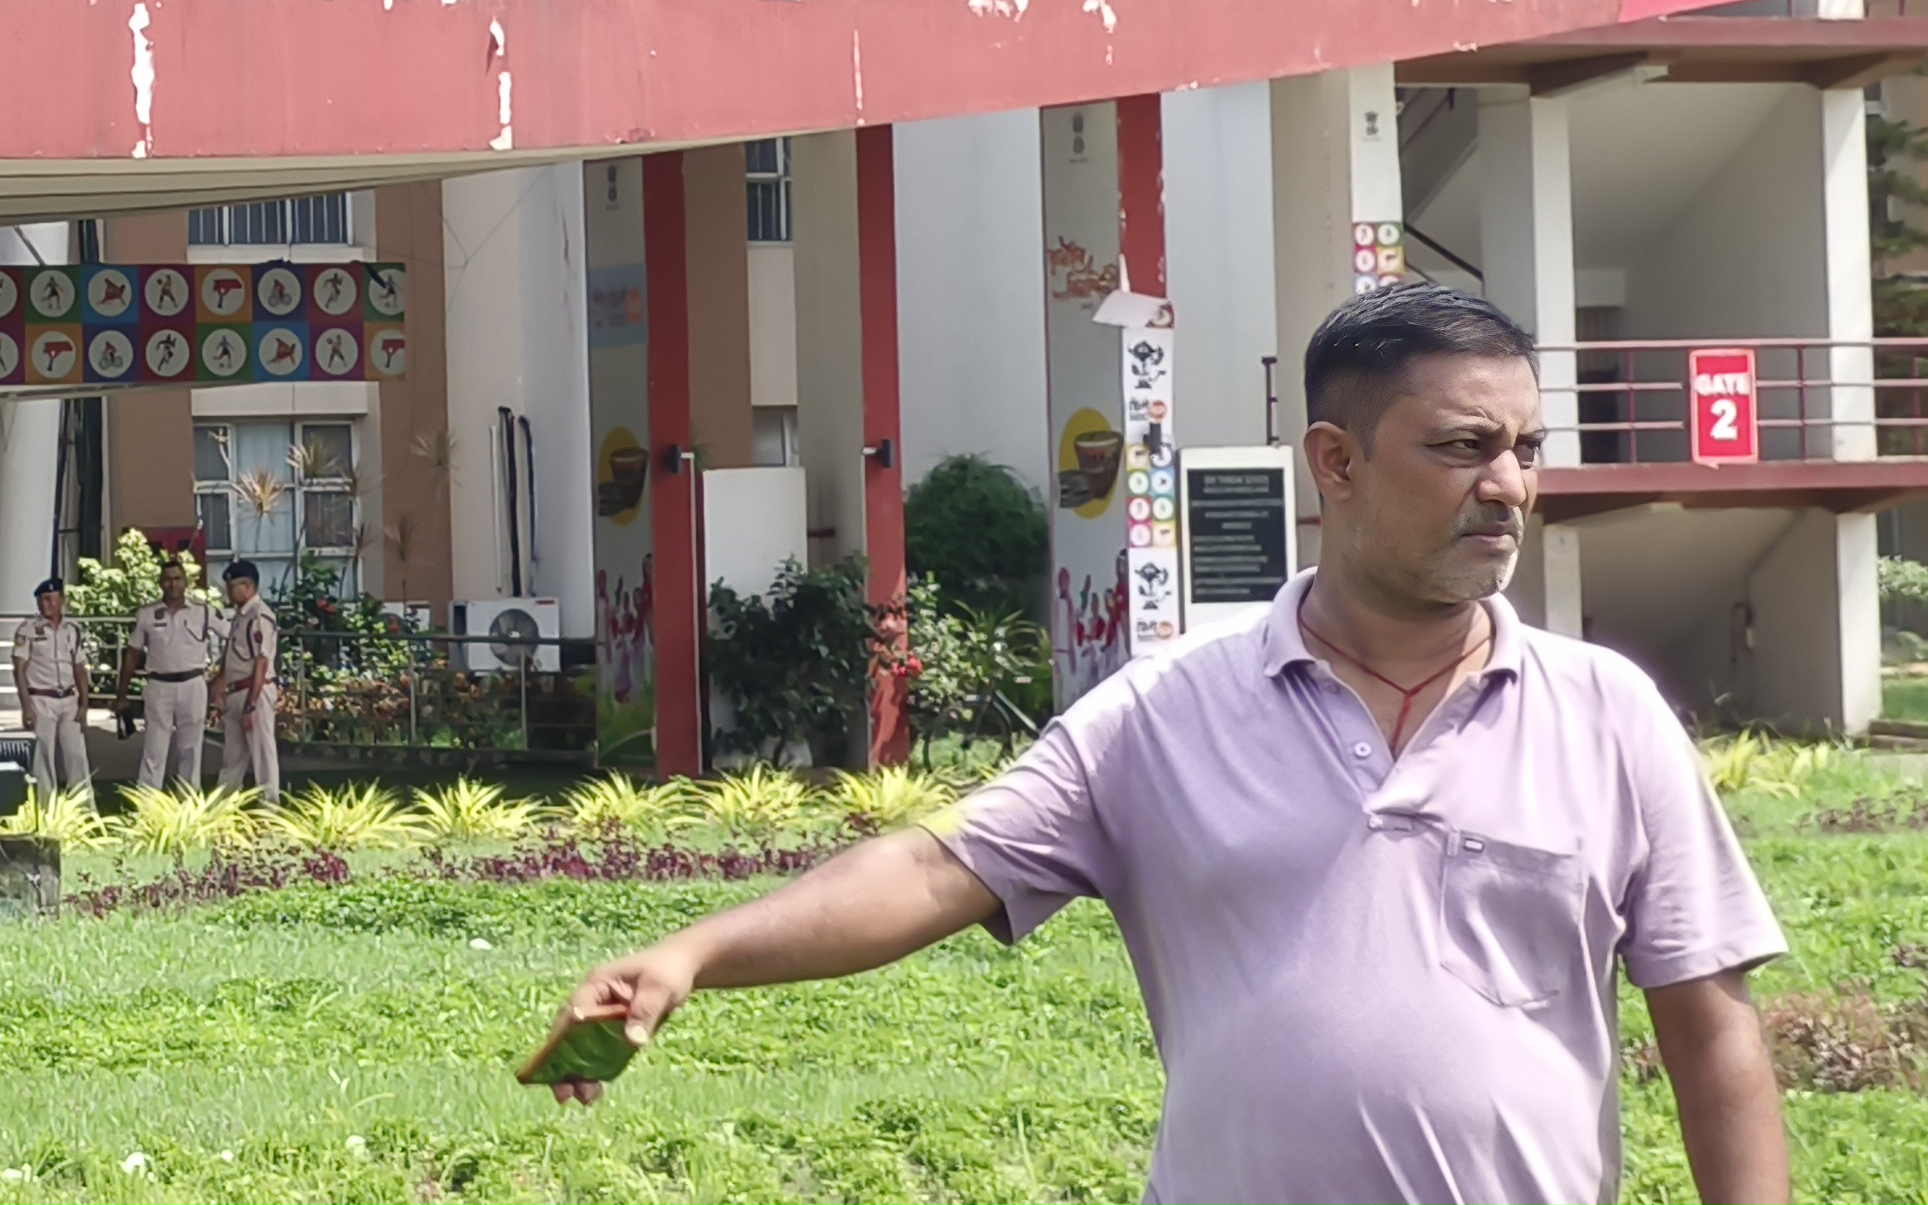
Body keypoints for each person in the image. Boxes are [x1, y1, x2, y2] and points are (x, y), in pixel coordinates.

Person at [538, 287, 1793, 1205]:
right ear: (1336, 463)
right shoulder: (1170, 711)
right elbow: (933, 871)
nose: (1509, 484)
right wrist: (695, 954)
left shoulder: (1602, 711)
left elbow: (1708, 1023)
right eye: (1463, 447)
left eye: (1524, 448)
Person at [124, 555, 219, 790]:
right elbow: (132, 654)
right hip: (159, 685)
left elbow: (234, 637)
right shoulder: (147, 614)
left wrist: (222, 678)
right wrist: (121, 694)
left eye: (177, 579)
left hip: (193, 683)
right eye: (167, 580)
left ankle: (188, 802)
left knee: (191, 749)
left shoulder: (203, 612)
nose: (173, 584)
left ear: (186, 582)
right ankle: (147, 803)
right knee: (154, 748)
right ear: (160, 583)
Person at [12, 579, 93, 794]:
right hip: (41, 698)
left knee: (76, 756)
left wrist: (84, 704)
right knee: (42, 757)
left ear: (62, 600)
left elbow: (79, 668)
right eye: (41, 600)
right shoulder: (28, 630)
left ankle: (85, 810)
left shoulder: (73, 630)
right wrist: (26, 706)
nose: (44, 604)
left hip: (68, 698)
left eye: (49, 599)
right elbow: (19, 669)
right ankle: (46, 809)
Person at [213, 559, 282, 799]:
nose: (229, 592)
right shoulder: (242, 616)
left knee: (262, 753)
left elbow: (261, 661)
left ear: (248, 586)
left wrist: (251, 705)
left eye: (233, 586)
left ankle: (270, 806)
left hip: (254, 691)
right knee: (233, 755)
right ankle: (222, 804)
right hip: (237, 690)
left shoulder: (259, 616)